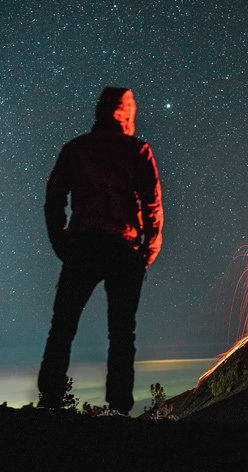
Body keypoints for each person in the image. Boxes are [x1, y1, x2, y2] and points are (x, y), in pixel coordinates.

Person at [37, 87, 163, 414]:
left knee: (63, 325)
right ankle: (119, 406)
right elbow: (152, 206)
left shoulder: (76, 150)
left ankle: (50, 400)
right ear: (125, 113)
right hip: (124, 249)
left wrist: (61, 241)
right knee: (122, 330)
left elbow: (53, 200)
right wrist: (149, 249)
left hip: (82, 245)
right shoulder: (138, 151)